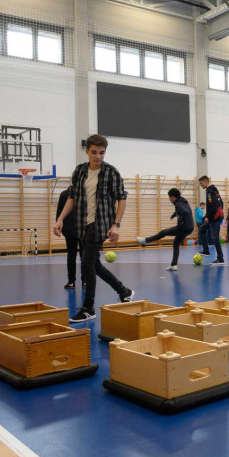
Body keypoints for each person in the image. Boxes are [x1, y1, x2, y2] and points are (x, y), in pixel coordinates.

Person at [54, 134, 134, 323]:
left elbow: (122, 199)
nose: (98, 156)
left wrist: (116, 224)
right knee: (94, 264)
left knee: (87, 264)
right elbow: (72, 197)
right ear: (87, 151)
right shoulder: (80, 171)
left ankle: (88, 308)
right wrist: (60, 219)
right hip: (82, 225)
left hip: (101, 225)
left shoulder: (111, 172)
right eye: (94, 152)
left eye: (102, 153)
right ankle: (124, 291)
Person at [136, 188, 195, 271]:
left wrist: (181, 221)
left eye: (169, 197)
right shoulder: (183, 201)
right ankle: (174, 265)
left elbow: (185, 212)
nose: (169, 199)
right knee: (176, 243)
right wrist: (174, 215)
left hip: (183, 227)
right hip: (190, 228)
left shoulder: (178, 204)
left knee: (163, 232)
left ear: (173, 197)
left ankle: (145, 241)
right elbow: (183, 210)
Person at [56, 188, 80, 289]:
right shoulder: (83, 192)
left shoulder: (64, 193)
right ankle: (85, 281)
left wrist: (58, 224)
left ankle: (71, 282)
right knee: (85, 256)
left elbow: (59, 211)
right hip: (82, 228)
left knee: (71, 256)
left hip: (70, 229)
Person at [198, 176, 225, 265]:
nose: (200, 185)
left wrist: (208, 217)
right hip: (215, 217)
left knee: (215, 239)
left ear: (205, 182)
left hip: (214, 219)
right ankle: (206, 250)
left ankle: (220, 259)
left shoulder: (210, 191)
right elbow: (221, 203)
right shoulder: (215, 190)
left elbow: (213, 206)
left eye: (201, 183)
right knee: (202, 229)